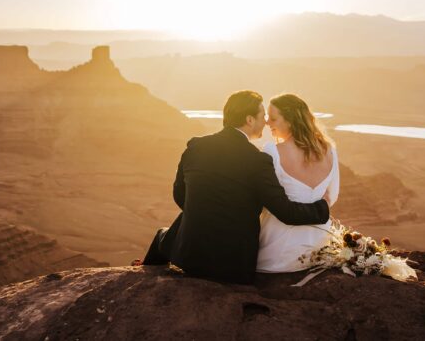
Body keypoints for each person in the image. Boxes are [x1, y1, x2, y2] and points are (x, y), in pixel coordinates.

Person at [141, 90, 330, 284]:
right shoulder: (257, 160)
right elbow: (286, 212)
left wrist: (206, 214)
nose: (265, 122)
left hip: (189, 257)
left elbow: (180, 194)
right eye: (261, 116)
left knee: (161, 236)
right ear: (249, 120)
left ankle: (142, 279)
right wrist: (322, 208)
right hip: (233, 266)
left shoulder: (196, 146)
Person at [256, 93, 339, 272]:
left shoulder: (272, 151)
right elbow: (332, 196)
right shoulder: (329, 150)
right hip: (318, 246)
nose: (268, 123)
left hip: (277, 251)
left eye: (273, 118)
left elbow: (265, 200)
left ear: (291, 121)